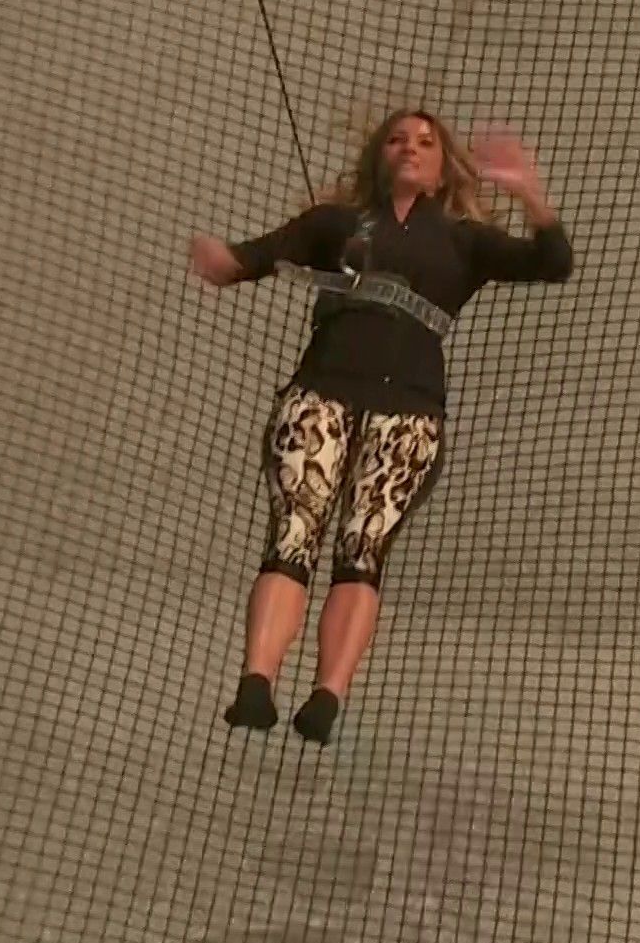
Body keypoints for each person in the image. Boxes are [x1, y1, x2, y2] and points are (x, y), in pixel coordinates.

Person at [187, 109, 573, 745]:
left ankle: (328, 694)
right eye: (396, 140)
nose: (410, 149)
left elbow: (552, 262)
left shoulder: (465, 240)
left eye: (424, 142)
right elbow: (252, 258)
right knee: (292, 536)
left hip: (408, 411)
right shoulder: (335, 224)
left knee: (361, 550)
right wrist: (220, 260)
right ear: (377, 158)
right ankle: (257, 680)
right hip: (322, 395)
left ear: (444, 168)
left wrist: (529, 192)